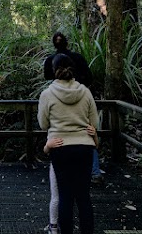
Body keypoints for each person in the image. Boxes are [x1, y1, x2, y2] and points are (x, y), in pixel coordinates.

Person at [38, 53, 99, 234]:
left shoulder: (47, 94)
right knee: (83, 197)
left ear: (53, 70)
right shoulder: (85, 92)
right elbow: (94, 123)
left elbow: (43, 124)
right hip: (84, 147)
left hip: (60, 146)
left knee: (64, 197)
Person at [43, 32, 103, 185]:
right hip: (80, 100)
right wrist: (79, 89)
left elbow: (44, 123)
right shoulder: (77, 59)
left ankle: (60, 175)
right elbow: (89, 77)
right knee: (87, 131)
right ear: (67, 42)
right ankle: (94, 172)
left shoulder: (50, 61)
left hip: (57, 103)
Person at [43, 127, 97, 234]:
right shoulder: (56, 128)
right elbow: (46, 149)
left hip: (68, 163)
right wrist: (48, 145)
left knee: (69, 198)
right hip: (58, 164)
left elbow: (95, 144)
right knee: (58, 197)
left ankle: (56, 226)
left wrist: (94, 134)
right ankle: (53, 225)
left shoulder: (80, 128)